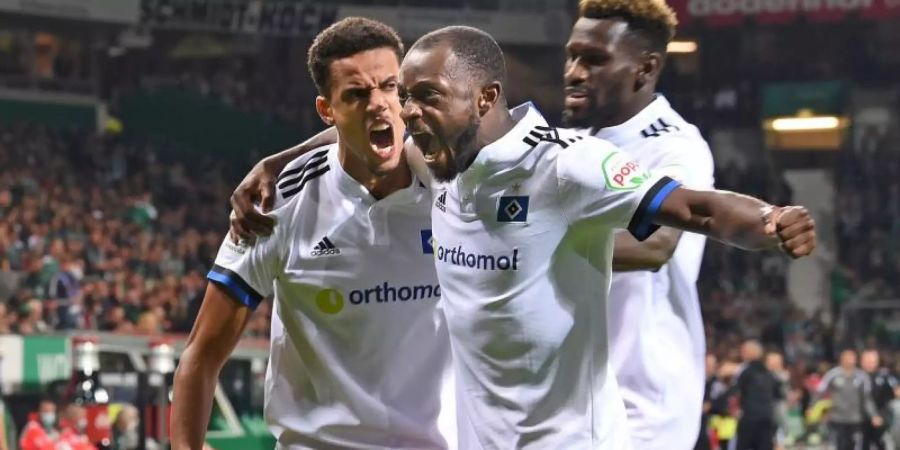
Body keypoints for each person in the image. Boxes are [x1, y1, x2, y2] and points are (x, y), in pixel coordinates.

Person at [227, 23, 816, 449]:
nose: (406, 111)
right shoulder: (438, 162)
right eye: (406, 97)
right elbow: (359, 136)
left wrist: (768, 222)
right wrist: (275, 162)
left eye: (425, 97)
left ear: (484, 98)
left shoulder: (565, 166)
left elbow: (695, 209)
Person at [170, 18, 454, 450]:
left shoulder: (454, 184)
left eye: (389, 87)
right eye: (356, 95)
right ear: (327, 110)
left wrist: (285, 153)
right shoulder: (278, 202)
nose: (379, 104)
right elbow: (201, 355)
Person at [561, 1, 714, 448]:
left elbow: (655, 245)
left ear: (644, 69)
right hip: (577, 395)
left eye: (594, 60)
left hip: (642, 405)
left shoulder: (673, 147)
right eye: (571, 56)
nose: (574, 72)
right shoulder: (574, 142)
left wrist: (526, 244)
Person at [816, 349, 882, 450]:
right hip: (837, 418)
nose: (850, 361)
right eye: (847, 358)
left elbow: (867, 399)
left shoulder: (861, 377)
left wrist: (874, 415)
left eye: (852, 358)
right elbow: (820, 392)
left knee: (855, 445)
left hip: (856, 418)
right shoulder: (833, 375)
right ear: (842, 360)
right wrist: (816, 409)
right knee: (839, 445)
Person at [730, 340, 780, 450]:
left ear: (749, 353)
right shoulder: (769, 373)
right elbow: (777, 395)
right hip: (767, 418)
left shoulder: (744, 370)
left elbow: (735, 392)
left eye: (743, 351)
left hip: (749, 418)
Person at [861, 350, 897, 450]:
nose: (870, 362)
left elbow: (896, 389)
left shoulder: (885, 375)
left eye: (872, 360)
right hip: (859, 419)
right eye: (867, 360)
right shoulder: (857, 376)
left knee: (882, 443)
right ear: (861, 361)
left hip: (881, 418)